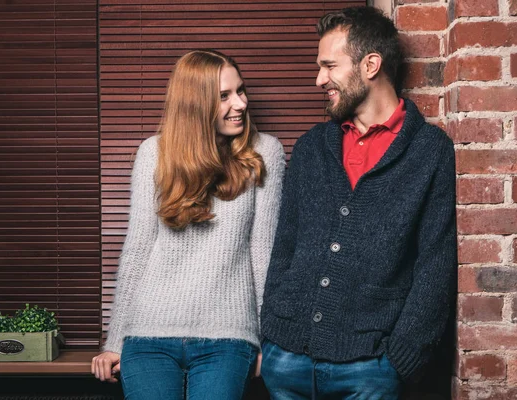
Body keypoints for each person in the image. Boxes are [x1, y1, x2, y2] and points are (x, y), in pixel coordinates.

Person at [260, 6, 457, 399]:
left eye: (329, 66)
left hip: (370, 369)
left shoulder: (429, 151)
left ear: (370, 65)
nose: (320, 79)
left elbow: (435, 264)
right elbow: (284, 247)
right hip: (286, 362)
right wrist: (272, 333)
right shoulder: (312, 148)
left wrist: (400, 358)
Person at [91, 49, 285, 400]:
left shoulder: (264, 152)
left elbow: (264, 255)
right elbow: (138, 249)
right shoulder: (154, 153)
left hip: (228, 337)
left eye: (240, 91)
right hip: (148, 335)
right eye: (224, 96)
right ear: (196, 104)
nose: (240, 104)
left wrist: (264, 340)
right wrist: (115, 340)